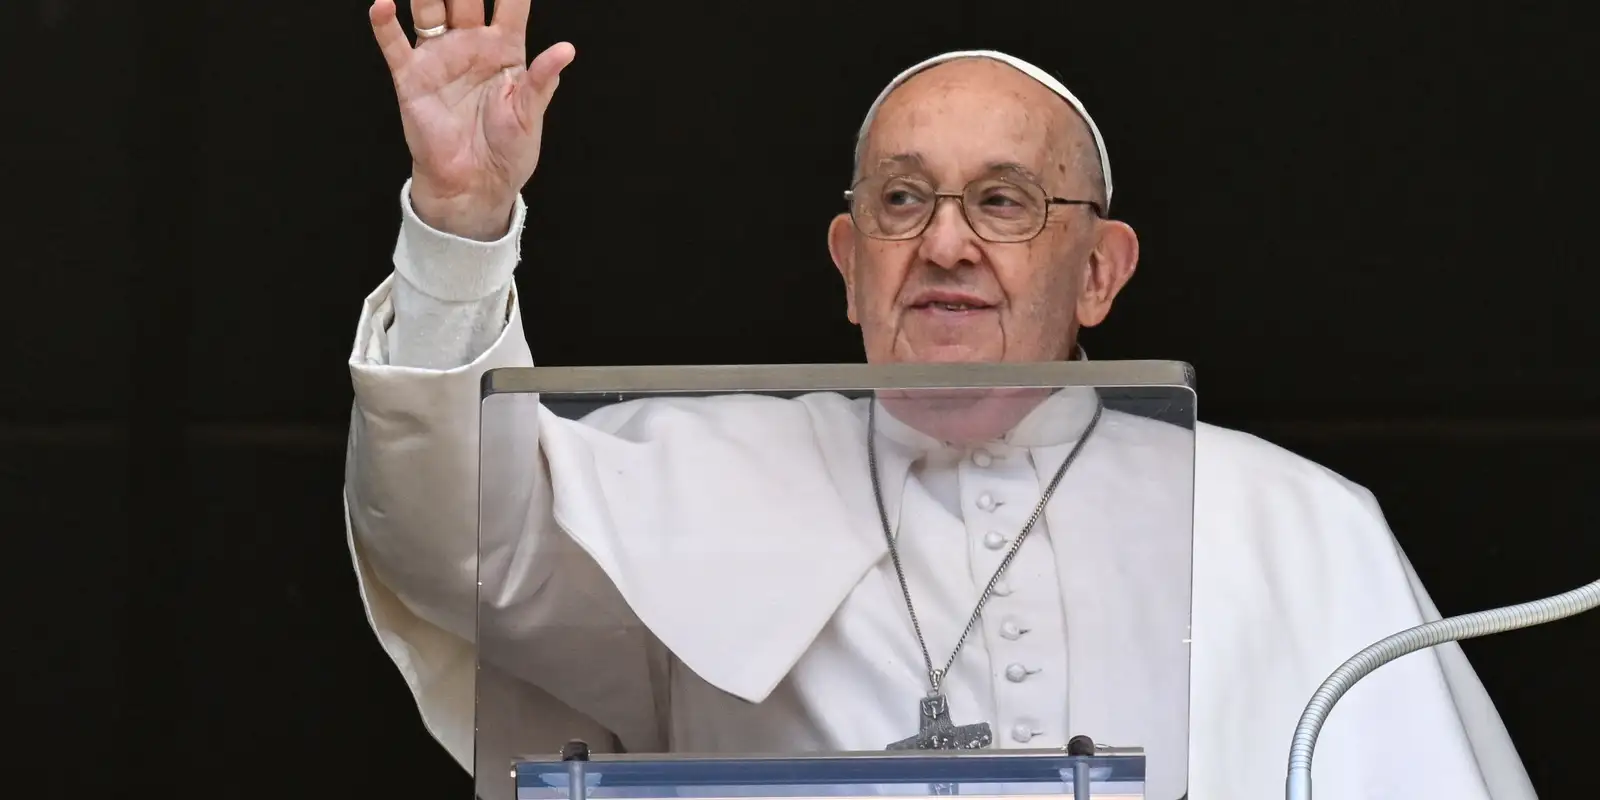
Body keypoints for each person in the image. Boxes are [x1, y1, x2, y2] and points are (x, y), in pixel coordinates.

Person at [347, 0, 1537, 798]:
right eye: (901, 203)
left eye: (1007, 201)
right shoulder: (690, 470)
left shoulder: (1295, 522)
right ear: (848, 264)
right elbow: (455, 544)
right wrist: (458, 227)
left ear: (1102, 273)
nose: (948, 243)